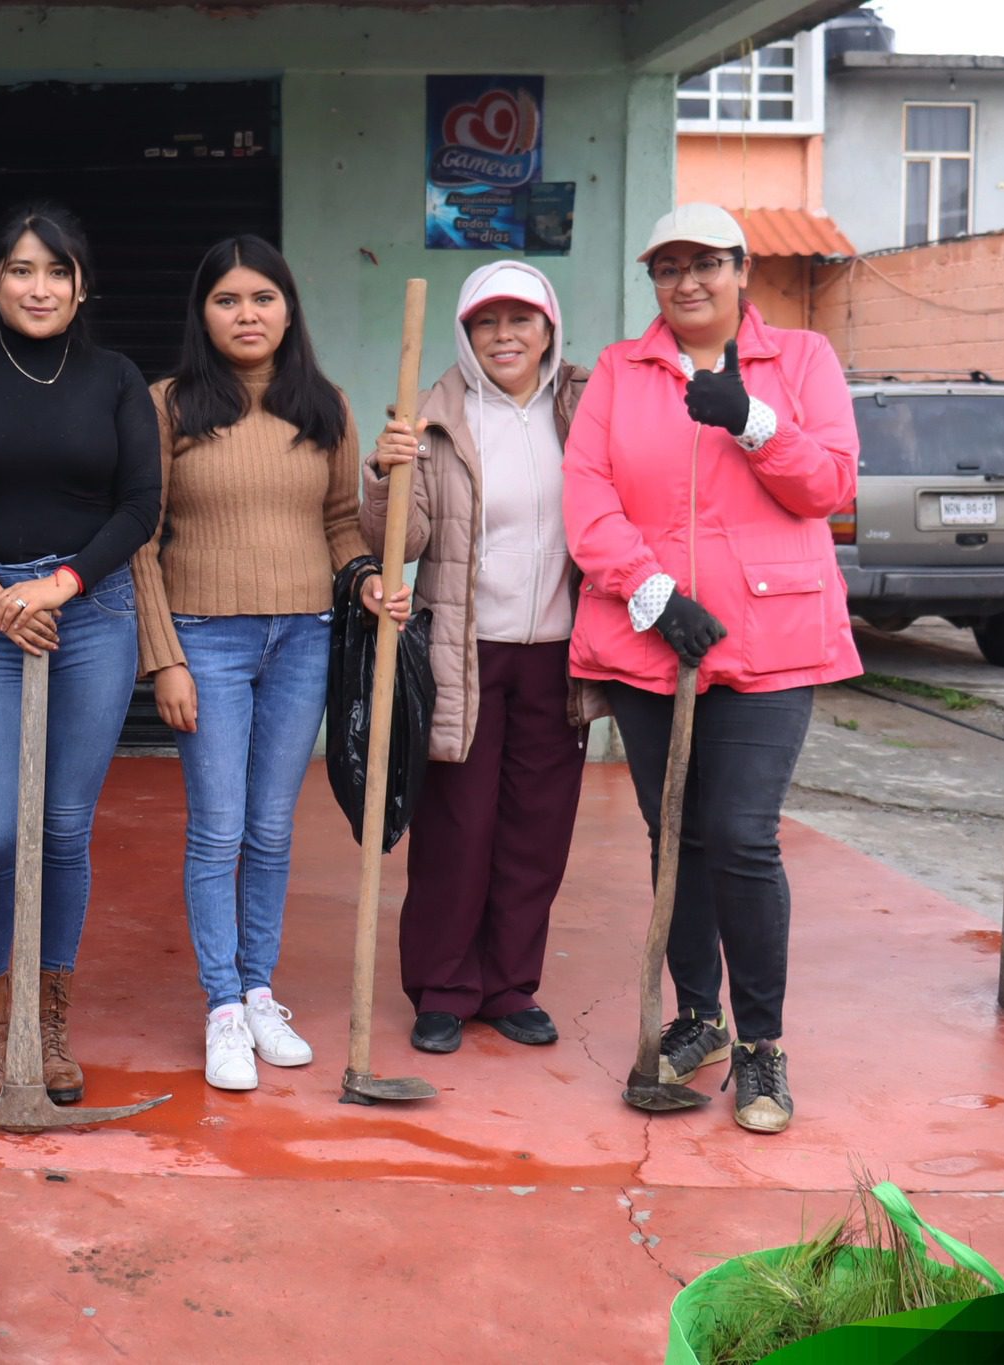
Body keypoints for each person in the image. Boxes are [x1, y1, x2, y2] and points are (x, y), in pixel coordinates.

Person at [562, 203, 860, 1133]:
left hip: (771, 639)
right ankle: (700, 1017)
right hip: (653, 638)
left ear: (741, 270)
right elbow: (588, 494)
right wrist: (651, 594)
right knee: (675, 834)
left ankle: (764, 1048)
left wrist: (755, 420)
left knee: (739, 835)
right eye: (668, 267)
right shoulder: (620, 368)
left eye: (706, 263)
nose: (686, 281)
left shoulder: (803, 359)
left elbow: (831, 488)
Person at [132, 235, 404, 1091]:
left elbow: (338, 526)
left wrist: (363, 579)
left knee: (274, 829)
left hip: (304, 636)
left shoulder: (325, 403)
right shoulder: (167, 405)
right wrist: (163, 656)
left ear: (289, 308)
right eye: (228, 300)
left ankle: (258, 990)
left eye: (263, 298)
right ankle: (220, 1006)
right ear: (202, 314)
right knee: (218, 829)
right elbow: (142, 537)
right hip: (204, 635)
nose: (247, 315)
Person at [0, 203, 160, 1109]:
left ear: (81, 284)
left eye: (56, 271)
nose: (39, 286)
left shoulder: (117, 378)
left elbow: (139, 505)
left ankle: (46, 1024)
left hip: (88, 614)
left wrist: (60, 586)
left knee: (60, 829)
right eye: (21, 269)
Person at [363, 261, 594, 1057]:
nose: (505, 336)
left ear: (548, 329)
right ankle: (443, 987)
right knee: (457, 827)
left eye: (520, 320)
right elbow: (405, 539)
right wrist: (384, 475)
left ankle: (509, 984)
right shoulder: (433, 415)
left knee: (538, 827)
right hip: (463, 647)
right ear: (465, 335)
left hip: (559, 652)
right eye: (487, 322)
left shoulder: (582, 405)